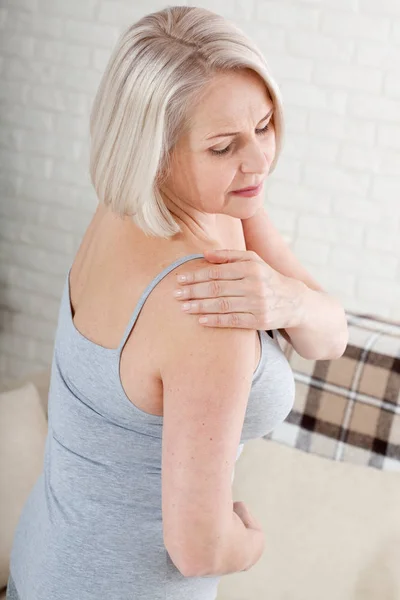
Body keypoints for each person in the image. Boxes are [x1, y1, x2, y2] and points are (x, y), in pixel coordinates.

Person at [7, 6, 297, 599]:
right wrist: (253, 539)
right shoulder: (205, 303)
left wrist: (292, 304)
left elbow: (327, 332)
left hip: (44, 557)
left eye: (264, 126)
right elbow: (200, 550)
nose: (259, 160)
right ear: (156, 152)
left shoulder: (125, 211)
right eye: (223, 146)